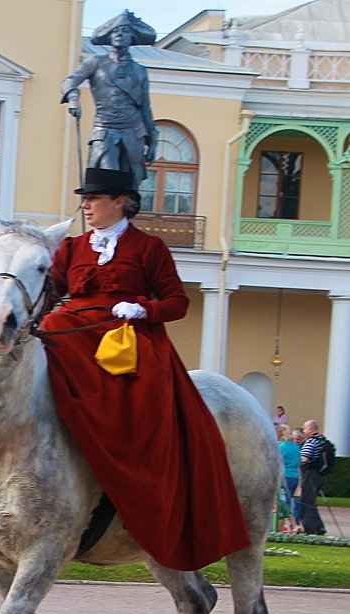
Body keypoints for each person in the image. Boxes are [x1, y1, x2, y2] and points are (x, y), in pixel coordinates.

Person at [38, 167, 251, 571]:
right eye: (85, 198)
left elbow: (178, 302)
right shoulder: (71, 248)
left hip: (129, 335)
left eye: (94, 198)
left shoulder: (149, 247)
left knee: (146, 394)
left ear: (120, 202)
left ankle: (131, 469)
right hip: (76, 328)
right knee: (49, 328)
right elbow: (48, 292)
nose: (86, 205)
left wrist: (144, 309)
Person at [61, 10, 157, 186]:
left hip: (134, 131)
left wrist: (153, 140)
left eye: (125, 31)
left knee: (129, 186)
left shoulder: (140, 71)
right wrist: (73, 98)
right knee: (104, 179)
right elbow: (69, 82)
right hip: (104, 129)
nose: (119, 34)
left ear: (133, 38)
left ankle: (125, 214)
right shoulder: (95, 62)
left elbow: (145, 108)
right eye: (115, 31)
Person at [298, 419, 328, 535]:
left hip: (310, 474)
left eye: (305, 428)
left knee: (307, 502)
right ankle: (319, 526)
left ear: (310, 430)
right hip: (321, 474)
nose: (303, 431)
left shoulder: (311, 442)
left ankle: (310, 529)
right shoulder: (322, 440)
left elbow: (304, 458)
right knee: (312, 501)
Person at [277, 423, 301, 532]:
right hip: (294, 476)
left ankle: (294, 524)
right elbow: (299, 462)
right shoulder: (295, 447)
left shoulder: (281, 447)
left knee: (283, 502)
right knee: (285, 501)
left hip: (283, 476)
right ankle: (279, 526)